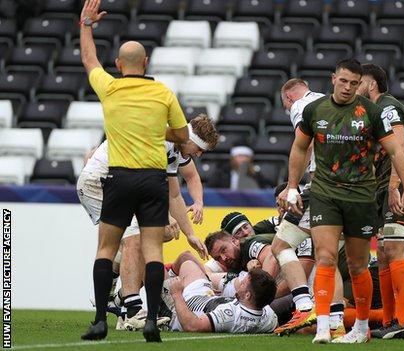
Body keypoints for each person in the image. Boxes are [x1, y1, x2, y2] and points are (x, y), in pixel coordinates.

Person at [279, 58, 404, 344]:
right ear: (333, 79)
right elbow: (299, 147)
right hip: (325, 194)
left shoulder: (372, 112)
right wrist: (292, 187)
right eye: (343, 81)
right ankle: (322, 326)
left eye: (354, 83)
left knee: (357, 265)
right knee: (325, 255)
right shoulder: (314, 110)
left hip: (360, 197)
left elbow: (396, 151)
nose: (348, 87)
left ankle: (361, 327)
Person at [79, 0, 189, 342]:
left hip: (120, 177)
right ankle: (152, 321)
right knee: (154, 252)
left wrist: (86, 24)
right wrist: (158, 131)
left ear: (118, 65)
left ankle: (99, 321)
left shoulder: (109, 88)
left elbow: (88, 60)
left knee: (105, 250)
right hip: (153, 179)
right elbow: (184, 138)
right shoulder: (163, 92)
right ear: (146, 63)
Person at [78, 114, 217, 329]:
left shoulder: (173, 148)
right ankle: (130, 310)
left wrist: (190, 234)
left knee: (154, 235)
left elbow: (173, 195)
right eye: (199, 150)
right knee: (136, 240)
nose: (198, 156)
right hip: (99, 182)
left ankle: (120, 301)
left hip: (113, 184)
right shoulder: (163, 142)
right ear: (190, 141)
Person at [355, 64, 404, 339]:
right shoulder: (372, 112)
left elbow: (402, 148)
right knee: (385, 252)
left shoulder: (388, 107)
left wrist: (396, 188)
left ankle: (402, 320)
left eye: (358, 81)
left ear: (371, 84)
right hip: (387, 189)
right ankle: (389, 320)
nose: (354, 86)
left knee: (395, 248)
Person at [271, 79, 324, 334]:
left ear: (289, 98)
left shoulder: (301, 106)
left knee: (280, 245)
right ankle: (332, 321)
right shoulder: (329, 101)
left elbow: (305, 145)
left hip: (321, 185)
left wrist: (292, 187)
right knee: (330, 256)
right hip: (355, 188)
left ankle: (304, 306)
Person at [168, 259, 278, 333]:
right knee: (188, 263)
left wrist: (177, 294)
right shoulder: (269, 316)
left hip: (187, 304)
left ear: (247, 295)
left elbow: (192, 326)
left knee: (179, 263)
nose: (240, 284)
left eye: (243, 284)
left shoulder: (230, 315)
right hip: (208, 297)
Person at [206, 145, 273, 190]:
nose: (242, 160)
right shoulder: (221, 173)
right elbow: (210, 189)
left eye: (245, 157)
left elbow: (266, 189)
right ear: (233, 158)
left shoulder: (256, 175)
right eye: (239, 156)